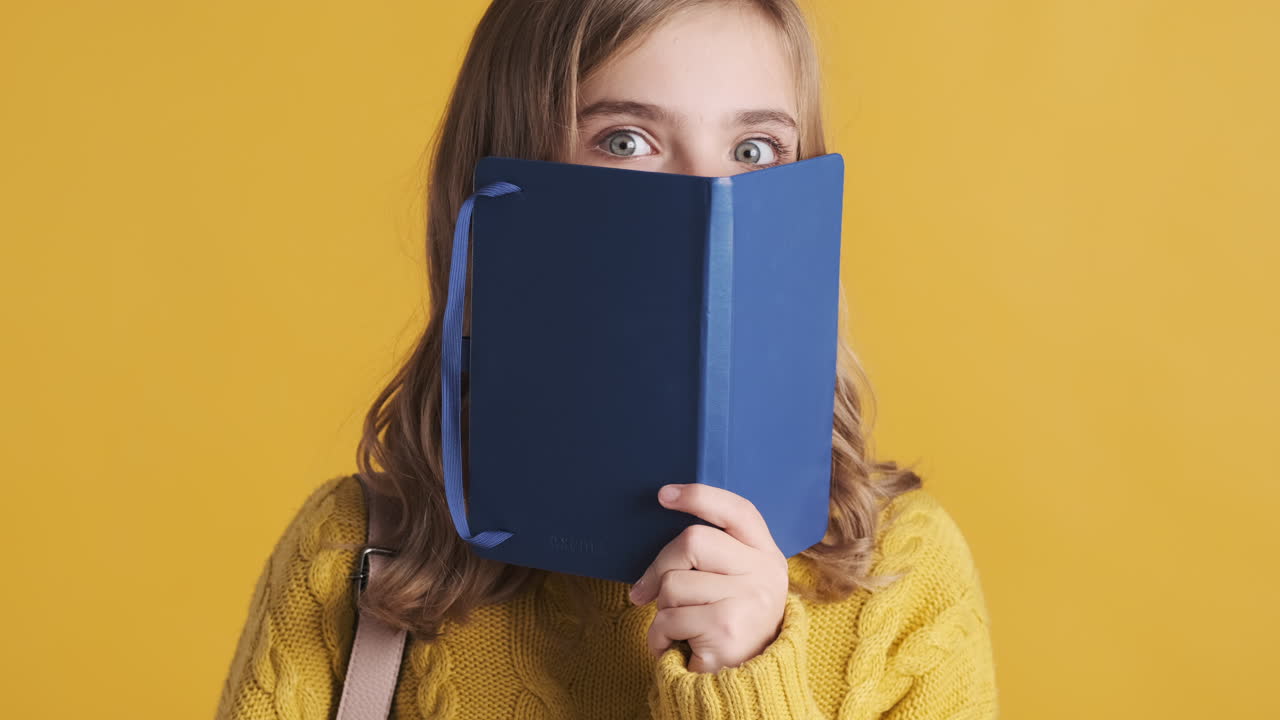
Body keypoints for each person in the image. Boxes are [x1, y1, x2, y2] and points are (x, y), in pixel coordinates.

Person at [214, 1, 998, 718]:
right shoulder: (354, 555)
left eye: (754, 149)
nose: (708, 197)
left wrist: (745, 681)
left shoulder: (906, 575)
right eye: (626, 141)